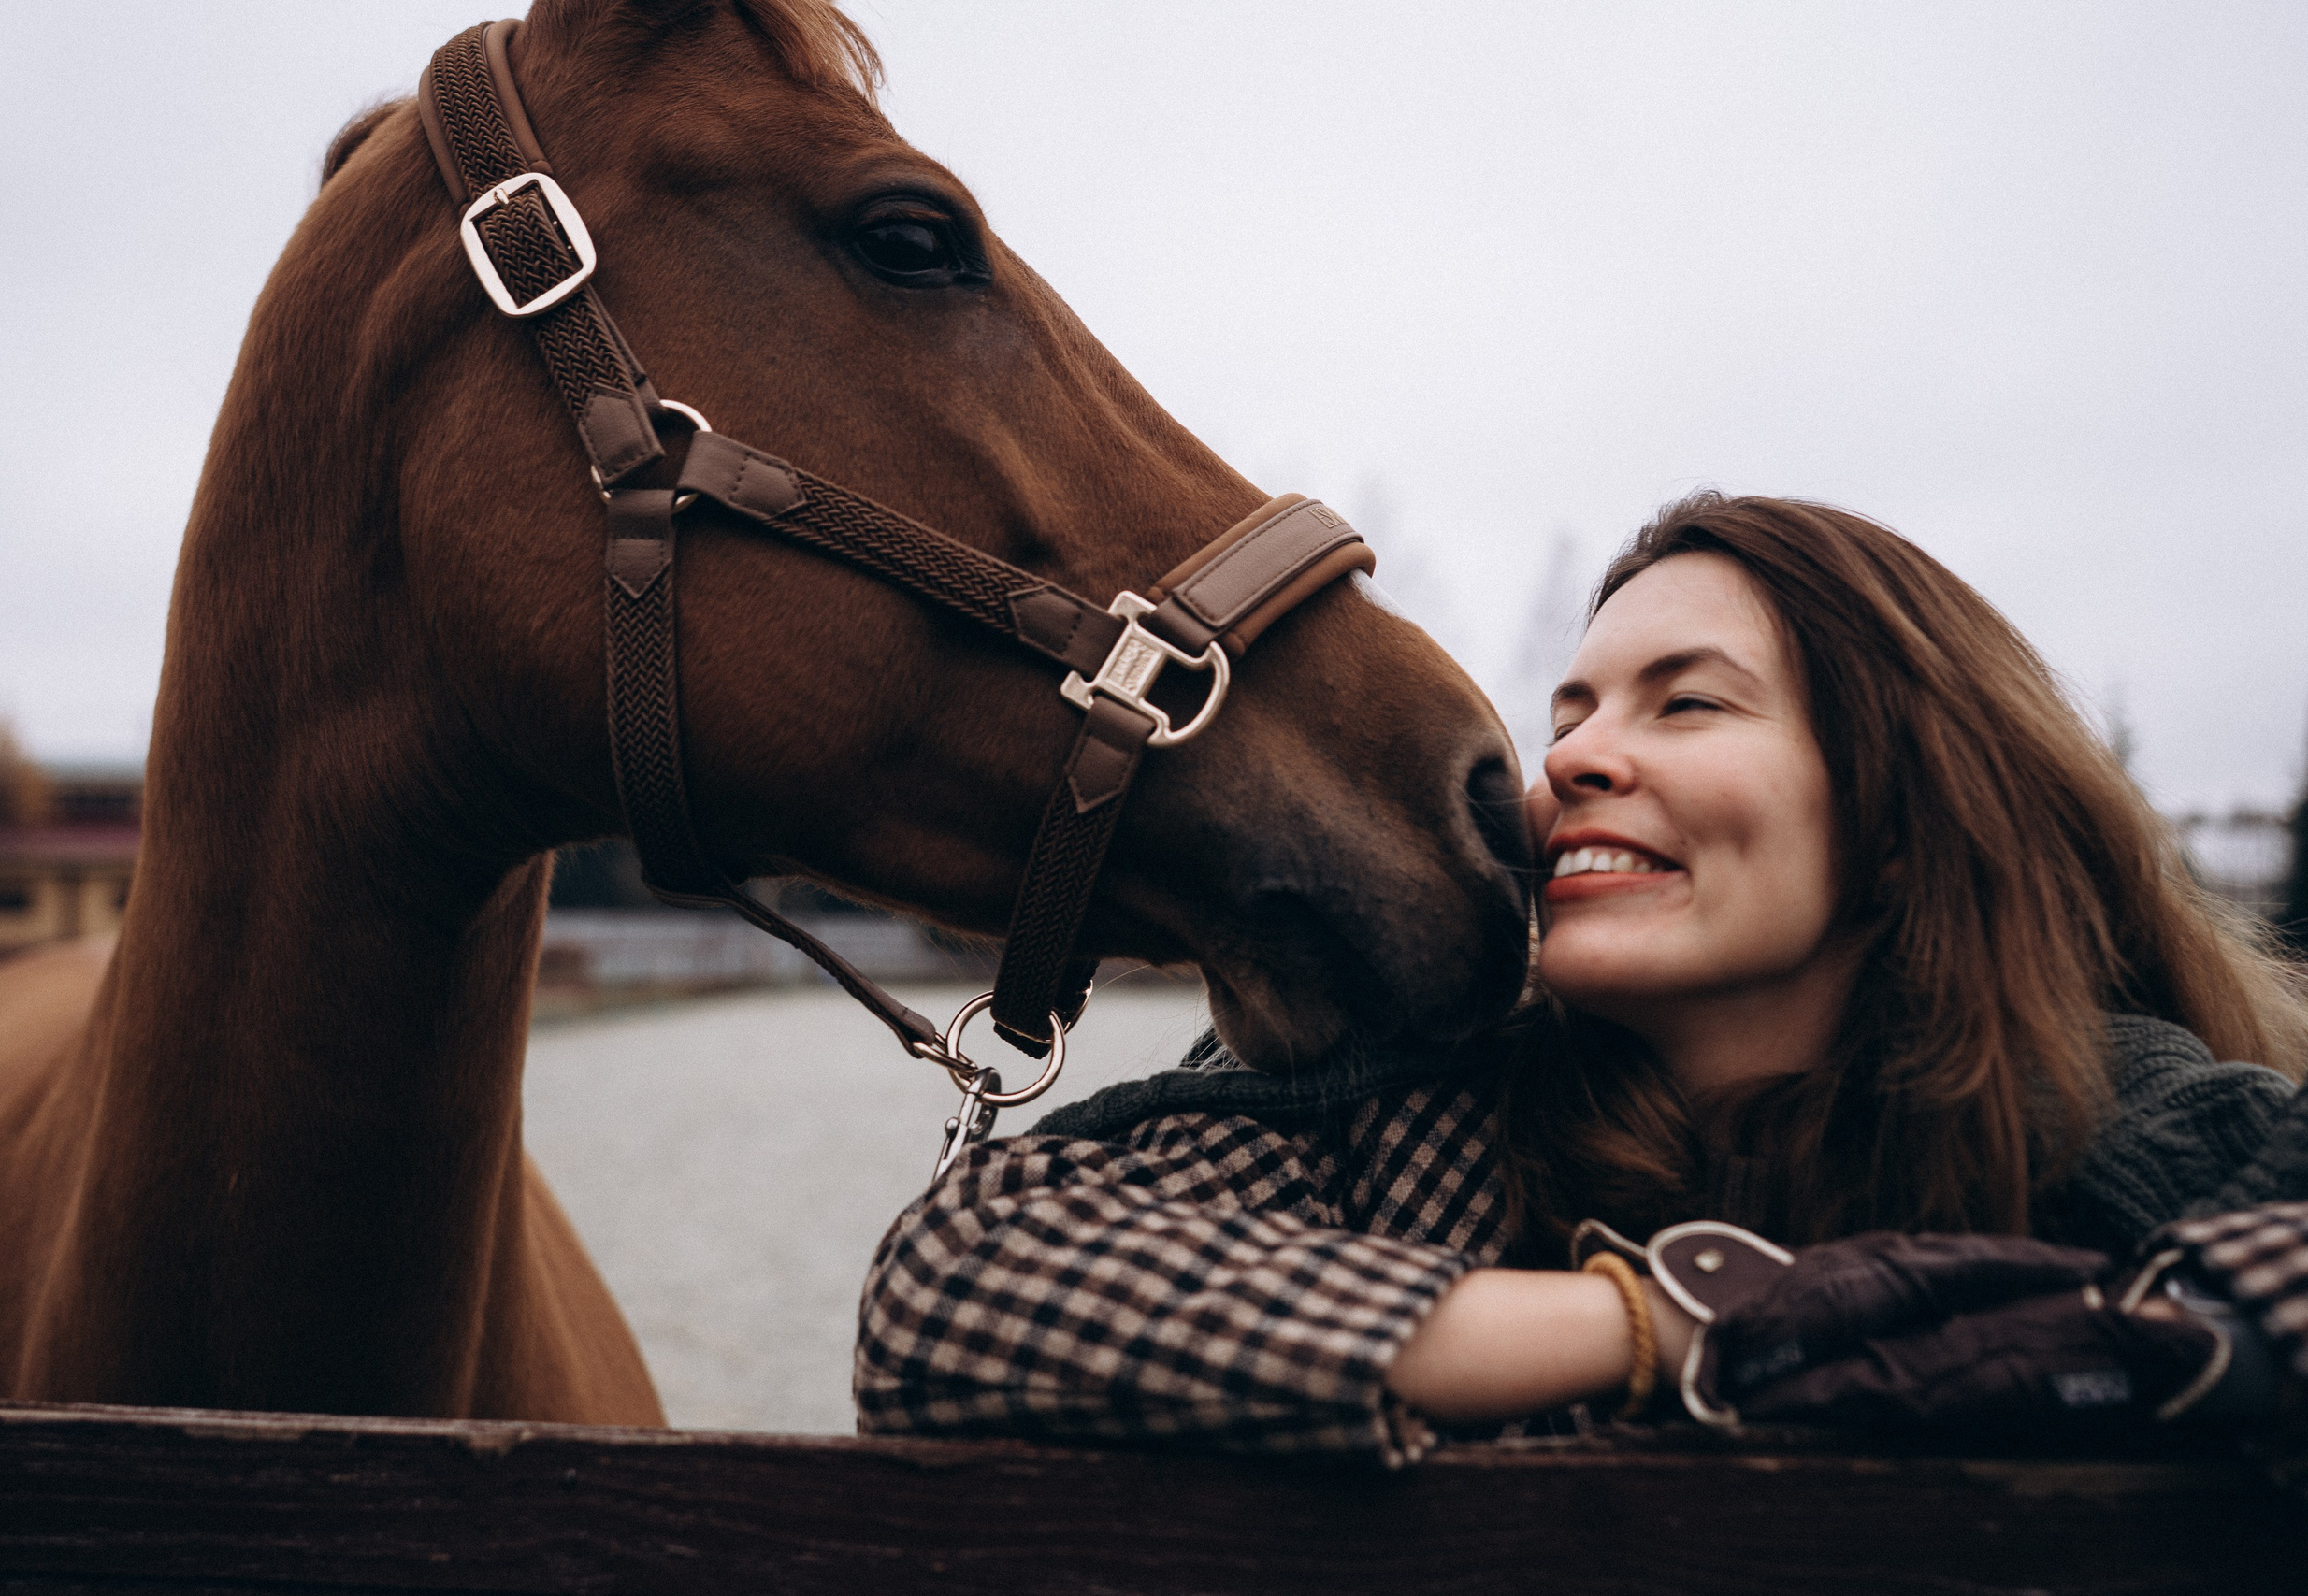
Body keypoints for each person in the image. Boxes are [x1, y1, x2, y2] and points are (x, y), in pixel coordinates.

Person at [856, 493, 2308, 1462]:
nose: (1574, 760)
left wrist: (2159, 1336)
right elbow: (953, 1282)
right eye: (1573, 714)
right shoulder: (1407, 1109)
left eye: (1688, 703)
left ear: (1895, 821)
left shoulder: (2113, 1114)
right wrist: (1681, 1323)